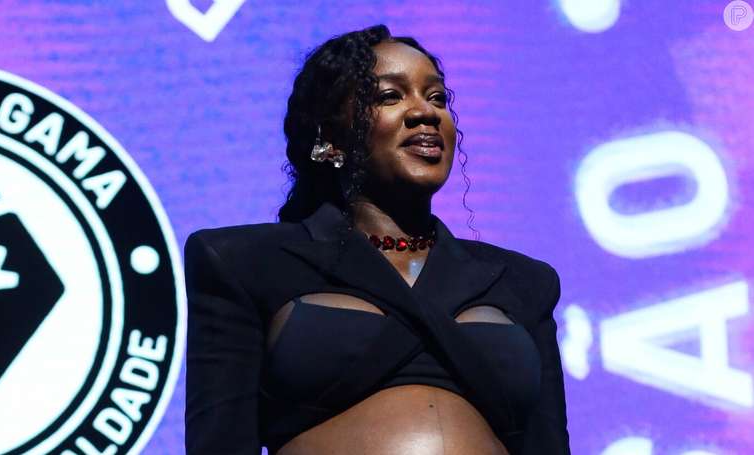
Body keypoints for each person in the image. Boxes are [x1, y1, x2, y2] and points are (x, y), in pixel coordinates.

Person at [184, 24, 570, 455]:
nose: (425, 112)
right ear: (330, 139)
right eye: (390, 96)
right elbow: (219, 442)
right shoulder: (245, 262)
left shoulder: (524, 281)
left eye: (437, 97)